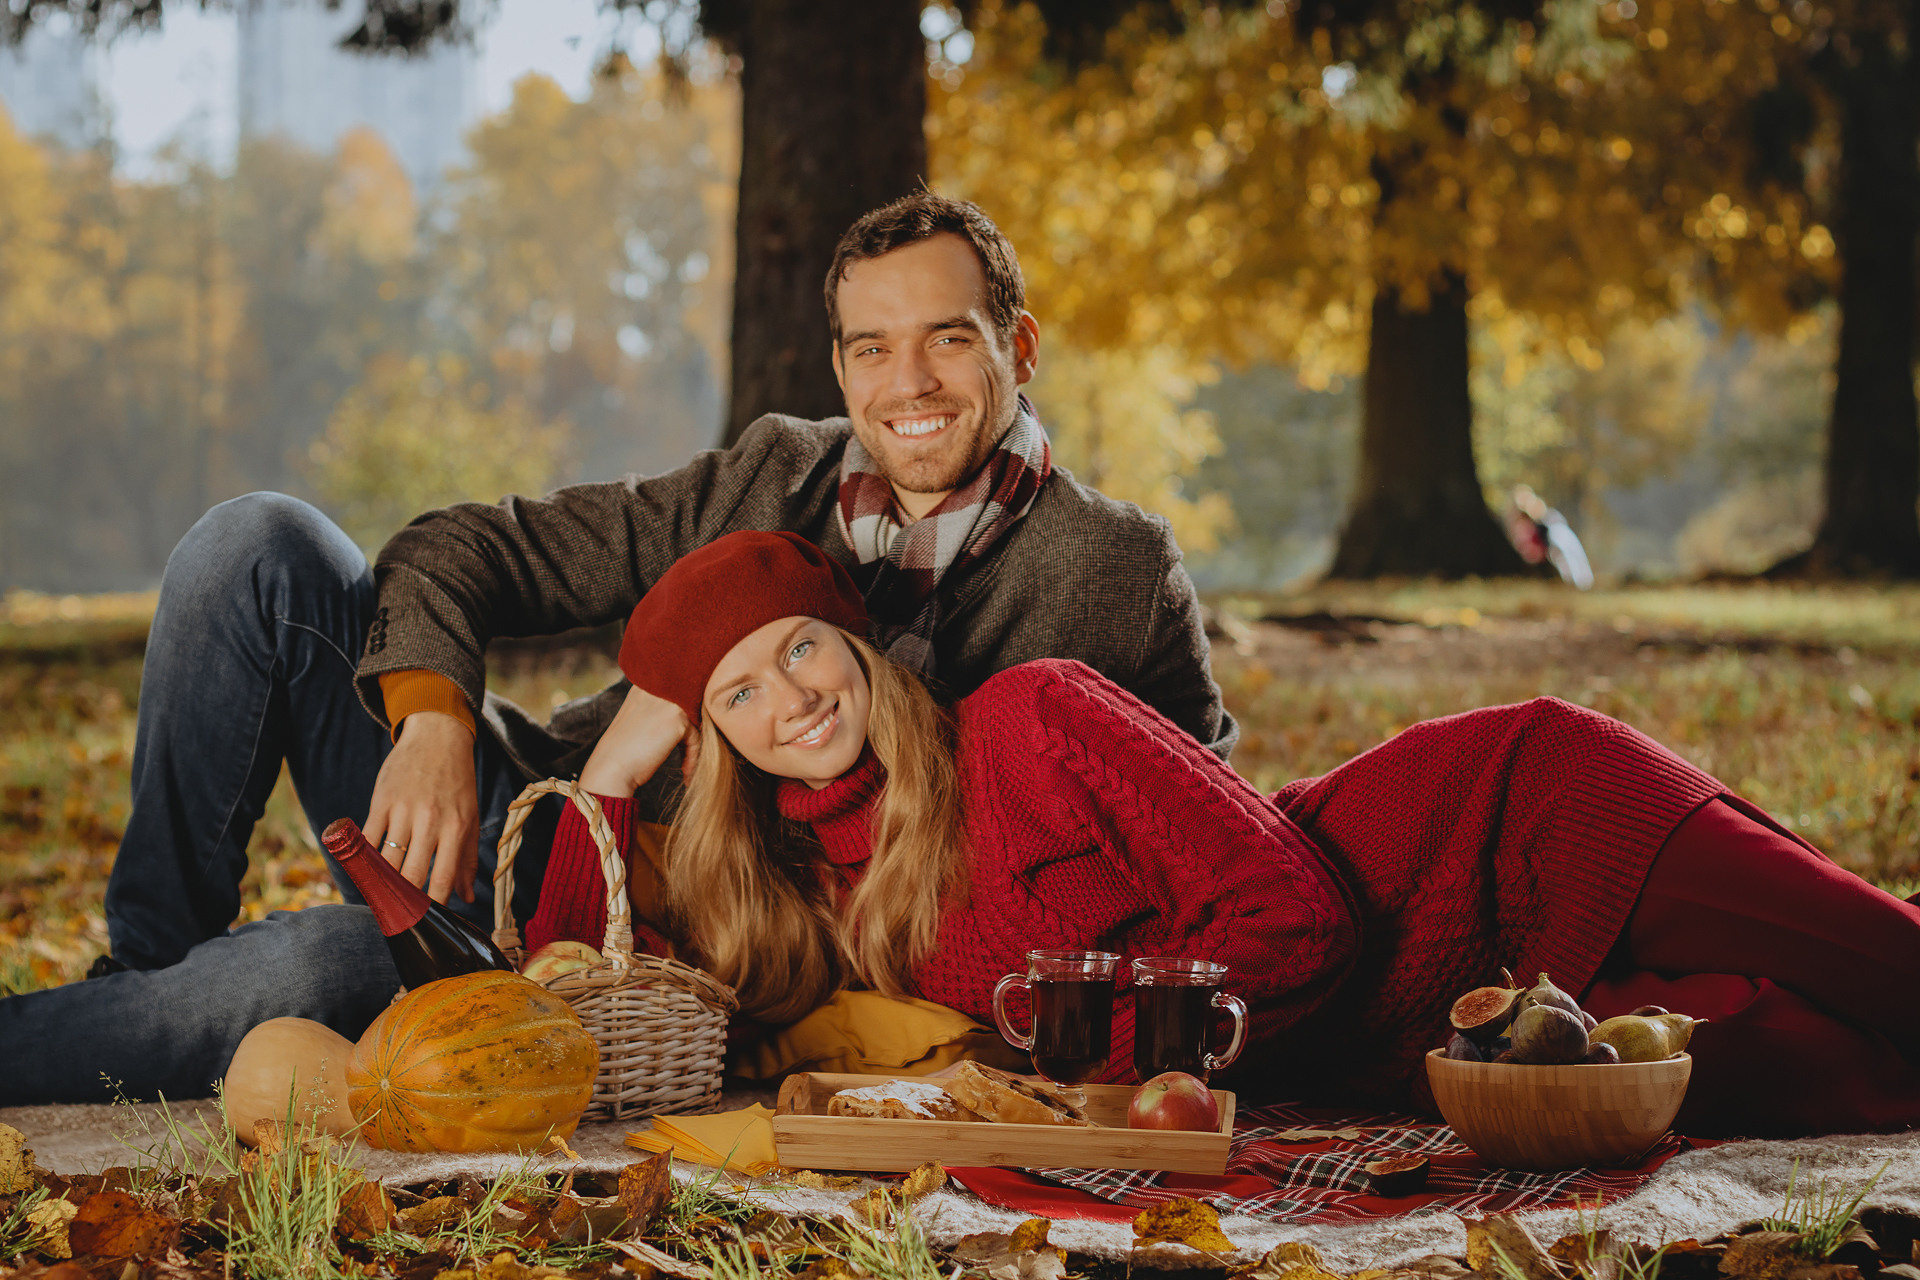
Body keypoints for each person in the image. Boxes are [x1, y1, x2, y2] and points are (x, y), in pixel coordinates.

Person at [0, 193, 1230, 1106]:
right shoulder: (771, 473)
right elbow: (465, 548)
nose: (906, 379)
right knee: (256, 547)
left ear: (1017, 349)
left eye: (949, 338)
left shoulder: (1114, 572)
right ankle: (140, 967)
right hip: (531, 820)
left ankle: (107, 1025)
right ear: (841, 362)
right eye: (870, 345)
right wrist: (431, 720)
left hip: (658, 947)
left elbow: (1208, 828)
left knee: (311, 969)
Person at [528, 530, 1920, 1139]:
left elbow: (1303, 919)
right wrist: (609, 771)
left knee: (1896, 978)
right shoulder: (804, 894)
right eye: (738, 695)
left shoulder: (1030, 719)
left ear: (856, 642)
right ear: (711, 736)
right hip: (1439, 1047)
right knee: (1846, 1082)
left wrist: (1102, 1071)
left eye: (801, 651)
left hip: (1518, 825)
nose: (793, 700)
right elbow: (569, 982)